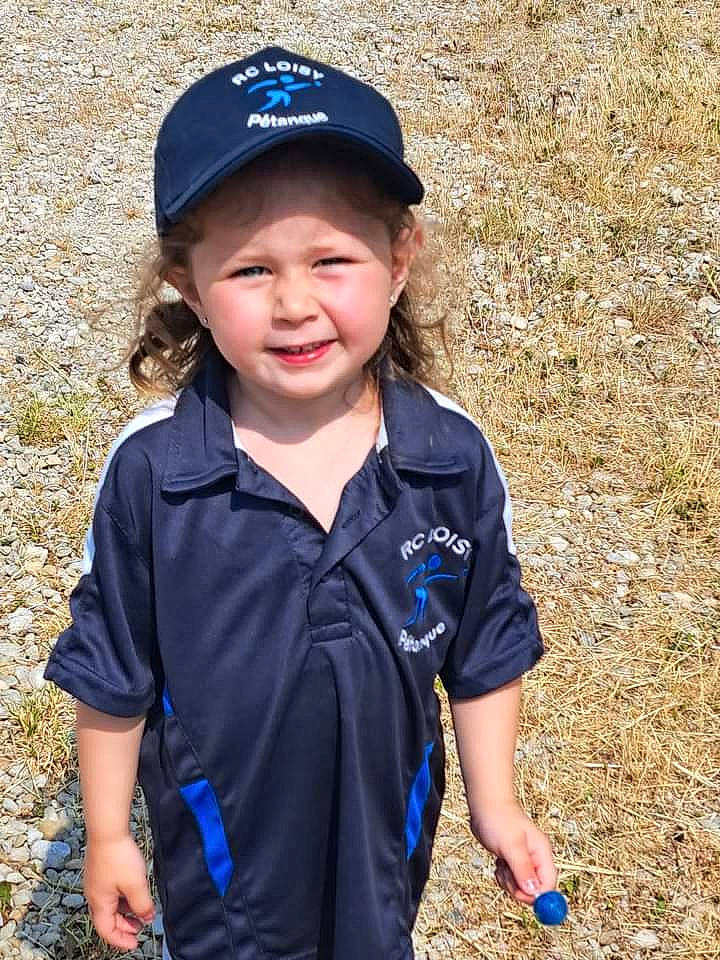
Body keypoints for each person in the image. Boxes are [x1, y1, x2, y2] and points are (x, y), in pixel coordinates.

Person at [44, 46, 557, 960]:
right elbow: (111, 670)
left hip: (381, 847)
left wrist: (497, 800)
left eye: (332, 259)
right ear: (187, 284)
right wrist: (113, 835)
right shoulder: (155, 474)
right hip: (221, 867)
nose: (293, 303)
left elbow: (485, 649)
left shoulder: (448, 458)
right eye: (249, 271)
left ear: (400, 259)